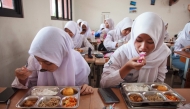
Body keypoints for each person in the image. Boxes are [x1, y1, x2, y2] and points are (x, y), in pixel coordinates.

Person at [12, 26, 94, 95]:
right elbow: (29, 86)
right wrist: (22, 78)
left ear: (61, 55)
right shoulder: (34, 59)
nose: (42, 67)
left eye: (48, 62)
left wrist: (85, 87)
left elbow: (82, 86)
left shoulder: (76, 60)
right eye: (38, 61)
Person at [100, 12, 171, 88]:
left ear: (158, 41)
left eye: (150, 42)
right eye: (139, 40)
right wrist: (127, 67)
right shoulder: (122, 52)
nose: (143, 47)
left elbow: (159, 82)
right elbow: (104, 83)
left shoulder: (161, 53)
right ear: (133, 36)